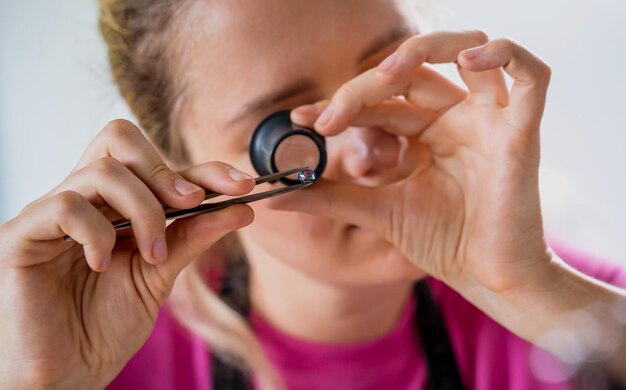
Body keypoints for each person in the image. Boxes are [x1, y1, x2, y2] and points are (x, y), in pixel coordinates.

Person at [1, 0, 625, 389]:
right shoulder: (102, 359)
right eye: (284, 128)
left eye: (388, 74)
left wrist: (528, 288)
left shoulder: (588, 318)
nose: (368, 150)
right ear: (177, 167)